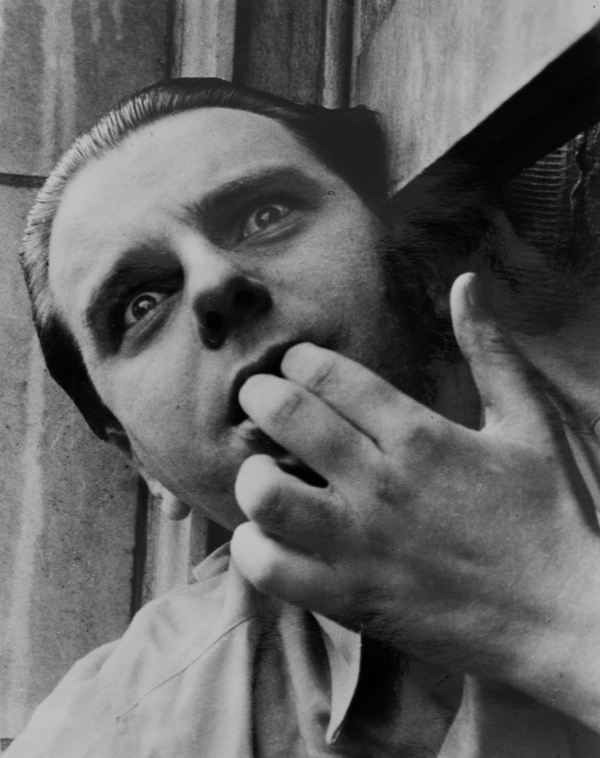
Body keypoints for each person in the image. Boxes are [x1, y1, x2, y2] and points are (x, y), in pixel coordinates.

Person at [6, 77, 600, 757]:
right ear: (143, 463)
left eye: (265, 215)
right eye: (140, 305)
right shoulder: (124, 729)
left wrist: (561, 606)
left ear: (419, 261)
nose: (214, 282)